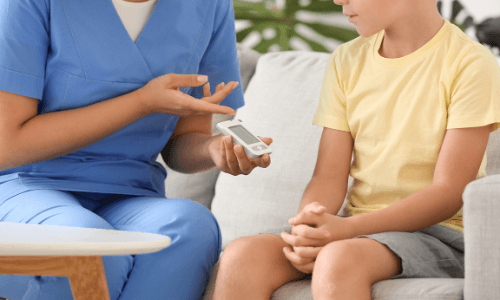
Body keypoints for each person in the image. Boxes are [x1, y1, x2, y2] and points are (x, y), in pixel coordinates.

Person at [212, 0, 500, 299]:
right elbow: (328, 176)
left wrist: (346, 231)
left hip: (435, 234)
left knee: (337, 259)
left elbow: (448, 192)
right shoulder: (347, 60)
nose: (339, 0)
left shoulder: (471, 63)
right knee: (241, 256)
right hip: (354, 229)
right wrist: (309, 227)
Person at [0, 0, 272, 299]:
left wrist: (213, 149)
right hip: (26, 185)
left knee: (191, 226)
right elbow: (8, 145)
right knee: (87, 246)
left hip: (132, 192)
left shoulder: (208, 6)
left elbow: (185, 140)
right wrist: (142, 102)